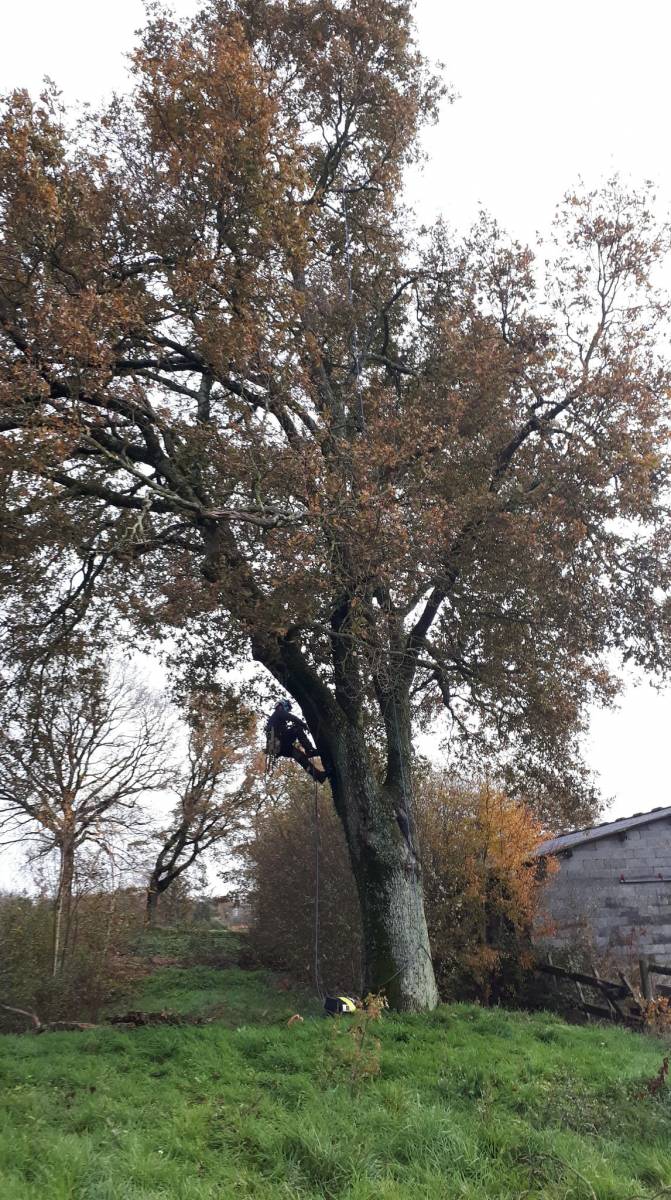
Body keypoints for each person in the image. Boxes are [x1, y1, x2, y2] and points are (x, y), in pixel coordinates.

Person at [265, 700, 327, 783]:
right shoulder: (278, 713)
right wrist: (303, 724)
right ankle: (310, 750)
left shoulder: (274, 720)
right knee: (297, 729)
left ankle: (319, 776)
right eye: (287, 708)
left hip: (279, 748)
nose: (287, 711)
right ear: (283, 706)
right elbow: (291, 717)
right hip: (280, 742)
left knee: (299, 756)